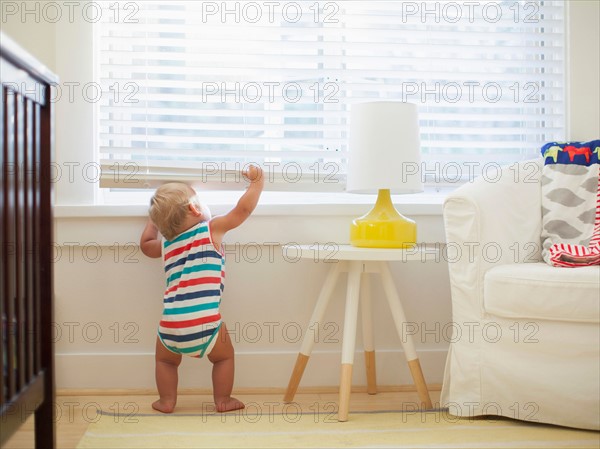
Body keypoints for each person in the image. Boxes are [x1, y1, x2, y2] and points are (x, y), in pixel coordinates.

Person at [139, 165, 264, 413]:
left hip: (170, 325)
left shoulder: (166, 245)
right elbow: (243, 210)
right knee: (224, 357)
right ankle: (223, 400)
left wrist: (153, 221)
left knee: (165, 361)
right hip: (205, 322)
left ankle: (166, 401)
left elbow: (145, 245)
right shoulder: (210, 230)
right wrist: (257, 183)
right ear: (195, 209)